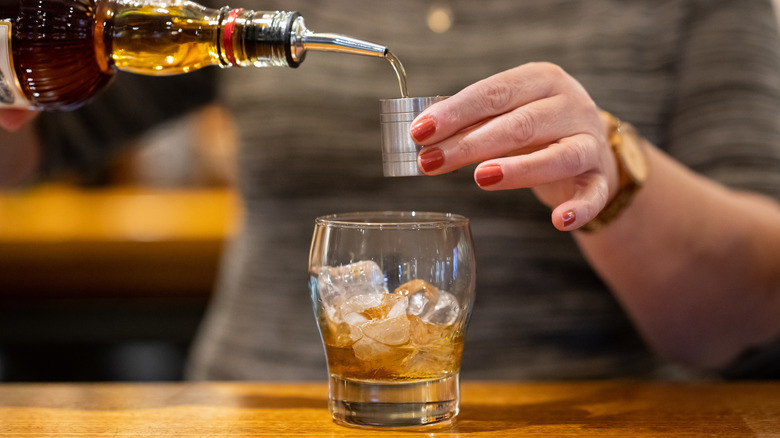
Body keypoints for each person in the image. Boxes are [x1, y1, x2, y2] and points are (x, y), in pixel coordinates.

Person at [2, 0, 780, 380]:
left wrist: (616, 174)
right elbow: (30, 141)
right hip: (256, 415)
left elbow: (752, 305)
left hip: (570, 418)